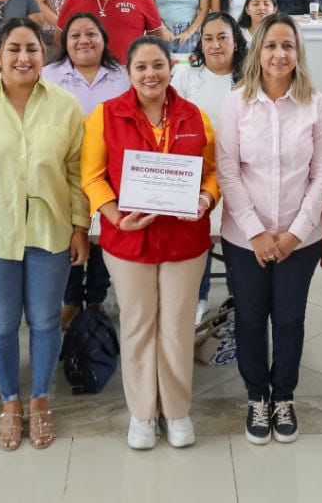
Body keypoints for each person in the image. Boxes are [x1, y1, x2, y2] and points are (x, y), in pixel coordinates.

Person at [0, 19, 88, 451]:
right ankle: (10, 402)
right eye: (14, 49)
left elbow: (76, 172)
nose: (23, 57)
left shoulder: (65, 106)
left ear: (44, 55)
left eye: (32, 49)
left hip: (51, 231)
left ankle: (40, 398)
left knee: (46, 321)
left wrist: (80, 226)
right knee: (2, 323)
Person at [80, 36, 219, 450]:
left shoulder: (195, 116)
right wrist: (115, 217)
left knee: (176, 326)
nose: (150, 74)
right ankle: (142, 413)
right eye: (141, 67)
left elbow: (212, 171)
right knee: (138, 325)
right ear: (128, 72)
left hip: (184, 239)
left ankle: (175, 411)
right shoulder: (105, 115)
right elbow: (92, 177)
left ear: (171, 68)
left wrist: (205, 198)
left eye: (158, 65)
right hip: (128, 239)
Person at [217, 15, 322, 445]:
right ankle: (257, 396)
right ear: (257, 52)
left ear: (299, 52)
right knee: (250, 318)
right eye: (270, 46)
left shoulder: (316, 105)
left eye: (287, 46)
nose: (279, 54)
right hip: (244, 237)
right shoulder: (236, 102)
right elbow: (228, 172)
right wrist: (255, 232)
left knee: (289, 318)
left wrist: (294, 234)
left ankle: (283, 395)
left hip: (299, 239)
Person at [44, 14, 129, 329]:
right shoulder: (48, 75)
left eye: (91, 33)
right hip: (64, 169)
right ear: (65, 42)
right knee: (70, 231)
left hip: (111, 171)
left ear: (104, 39)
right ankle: (70, 299)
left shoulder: (122, 76)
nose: (84, 40)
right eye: (75, 35)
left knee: (103, 233)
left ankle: (95, 298)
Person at [172, 11, 247, 323]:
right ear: (200, 43)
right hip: (198, 173)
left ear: (235, 41)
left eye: (222, 38)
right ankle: (199, 296)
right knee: (197, 233)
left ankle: (238, 300)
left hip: (242, 172)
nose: (215, 45)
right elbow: (172, 120)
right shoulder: (187, 75)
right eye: (208, 39)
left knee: (237, 239)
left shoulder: (250, 76)